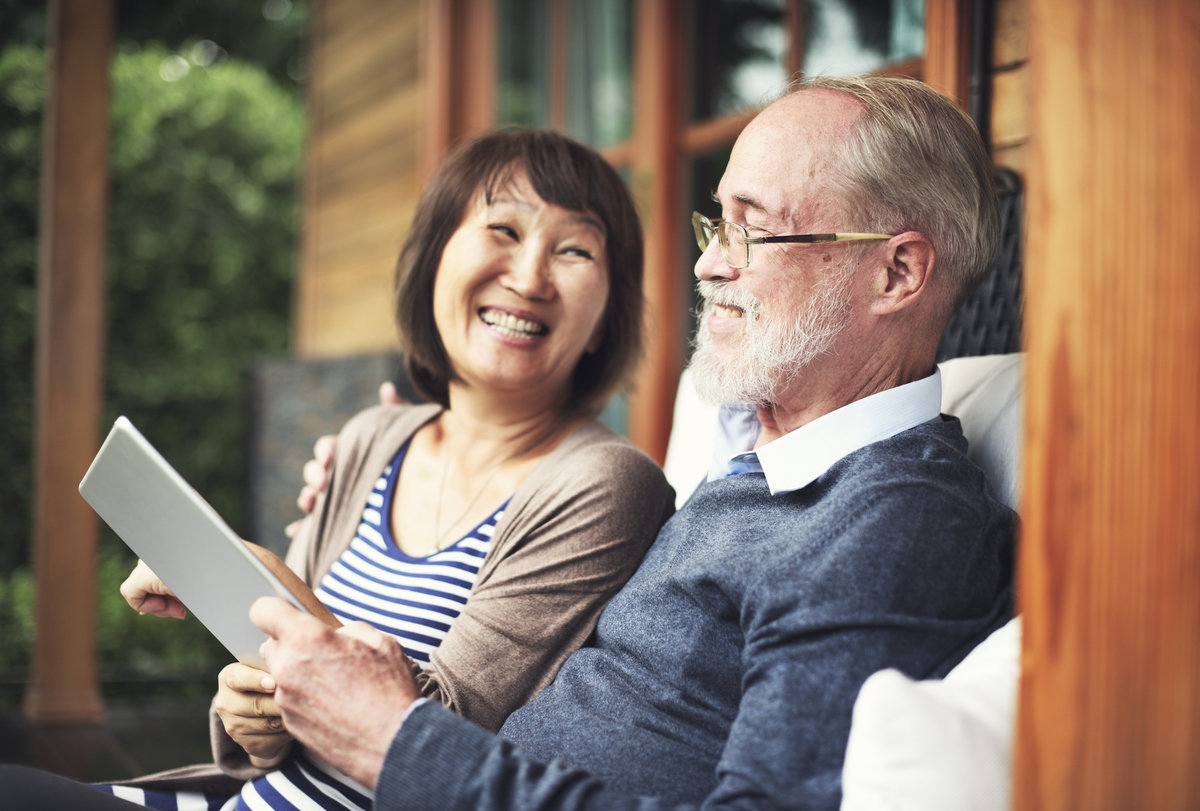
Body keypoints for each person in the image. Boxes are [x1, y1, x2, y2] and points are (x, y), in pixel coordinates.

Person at [1, 74, 1015, 811]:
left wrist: (390, 739)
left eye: (754, 231)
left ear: (895, 277)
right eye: (716, 227)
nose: (710, 269)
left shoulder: (890, 518)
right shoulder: (752, 453)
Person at [97, 128, 676, 810]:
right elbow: (277, 702)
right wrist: (248, 709)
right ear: (434, 261)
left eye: (574, 249)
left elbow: (440, 733)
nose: (529, 278)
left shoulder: (605, 483)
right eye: (503, 230)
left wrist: (250, 569)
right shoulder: (373, 437)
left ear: (607, 316)